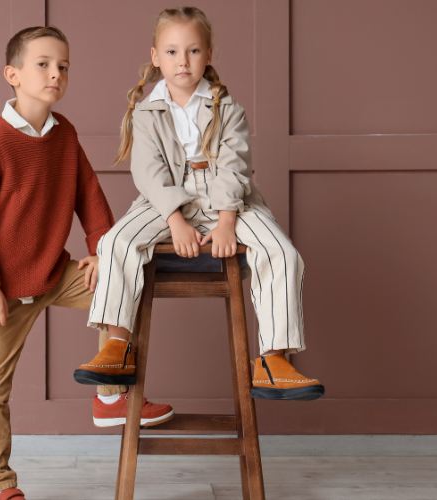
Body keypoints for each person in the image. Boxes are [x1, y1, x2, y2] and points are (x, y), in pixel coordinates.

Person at [0, 26, 172, 500]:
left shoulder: (64, 134)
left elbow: (88, 194)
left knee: (122, 279)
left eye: (63, 66)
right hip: (1, 289)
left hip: (53, 273)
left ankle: (109, 396)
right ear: (13, 75)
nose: (55, 73)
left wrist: (102, 250)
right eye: (43, 64)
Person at [73, 7, 325, 402]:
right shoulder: (146, 112)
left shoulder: (228, 108)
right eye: (172, 52)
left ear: (208, 54)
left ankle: (274, 359)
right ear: (156, 57)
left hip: (228, 198)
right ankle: (118, 347)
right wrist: (175, 220)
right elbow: (149, 172)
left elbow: (235, 166)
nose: (183, 61)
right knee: (115, 243)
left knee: (282, 252)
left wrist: (226, 222)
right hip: (166, 197)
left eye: (193, 51)